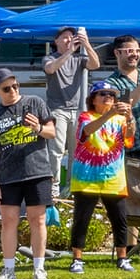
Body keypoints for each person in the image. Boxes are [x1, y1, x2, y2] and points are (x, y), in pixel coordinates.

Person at [0, 67, 57, 279]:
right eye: (6, 88)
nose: (13, 90)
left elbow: (52, 132)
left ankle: (38, 269)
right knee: (8, 221)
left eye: (15, 85)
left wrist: (38, 127)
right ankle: (9, 270)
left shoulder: (34, 102)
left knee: (38, 220)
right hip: (7, 175)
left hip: (37, 171)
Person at [67, 82, 136, 274]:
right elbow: (86, 132)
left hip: (113, 177)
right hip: (86, 177)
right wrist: (110, 114)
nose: (108, 97)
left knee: (120, 219)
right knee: (81, 219)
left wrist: (129, 116)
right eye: (103, 93)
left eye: (112, 95)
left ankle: (122, 258)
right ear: (93, 99)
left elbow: (130, 139)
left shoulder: (120, 119)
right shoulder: (85, 116)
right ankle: (77, 259)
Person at [41, 26, 101, 196]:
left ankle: (71, 187)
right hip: (57, 109)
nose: (69, 40)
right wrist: (69, 52)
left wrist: (87, 44)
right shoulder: (49, 58)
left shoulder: (80, 58)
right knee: (56, 150)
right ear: (56, 41)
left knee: (77, 151)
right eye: (66, 37)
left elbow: (95, 64)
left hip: (78, 110)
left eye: (72, 37)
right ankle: (53, 187)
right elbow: (50, 69)